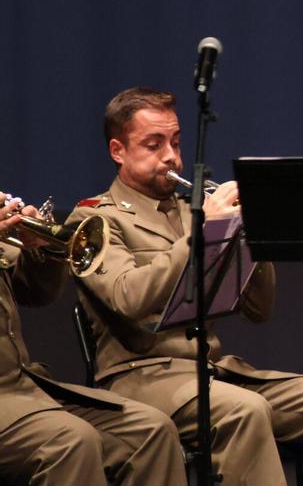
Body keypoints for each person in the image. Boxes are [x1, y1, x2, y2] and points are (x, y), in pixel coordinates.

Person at [65, 87, 303, 486]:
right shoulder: (94, 219)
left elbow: (260, 309)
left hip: (212, 372)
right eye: (153, 144)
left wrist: (253, 236)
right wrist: (200, 234)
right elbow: (128, 297)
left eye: (176, 142)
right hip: (140, 377)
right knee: (246, 411)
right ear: (118, 151)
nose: (171, 157)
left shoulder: (190, 210)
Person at [0, 192, 186, 485]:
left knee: (151, 430)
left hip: (25, 386)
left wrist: (41, 248)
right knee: (71, 442)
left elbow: (36, 292)